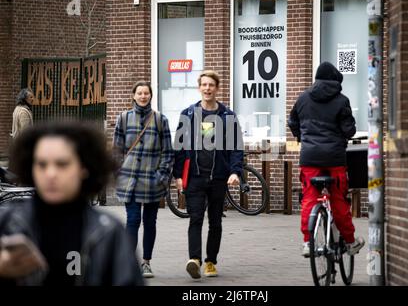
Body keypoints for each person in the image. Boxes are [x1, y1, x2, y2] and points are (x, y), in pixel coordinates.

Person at [0, 121, 143, 285]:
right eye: (41, 164)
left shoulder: (109, 233)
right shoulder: (7, 224)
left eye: (62, 164)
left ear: (84, 168)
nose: (51, 174)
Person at [288, 61, 365, 257]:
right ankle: (349, 241)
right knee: (338, 200)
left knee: (309, 199)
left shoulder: (303, 98)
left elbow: (292, 122)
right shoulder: (342, 100)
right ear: (335, 81)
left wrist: (302, 137)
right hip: (335, 159)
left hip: (310, 158)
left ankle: (308, 242)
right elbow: (349, 130)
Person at [173, 70, 244, 279]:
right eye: (204, 85)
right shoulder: (187, 114)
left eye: (211, 85)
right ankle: (194, 259)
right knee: (195, 218)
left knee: (215, 222)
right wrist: (178, 175)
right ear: (199, 87)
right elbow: (178, 146)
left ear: (217, 88)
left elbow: (236, 147)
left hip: (219, 177)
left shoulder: (228, 116)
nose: (207, 88)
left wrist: (235, 171)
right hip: (194, 176)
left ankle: (211, 261)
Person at [113, 80, 174, 279]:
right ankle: (129, 263)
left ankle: (146, 262)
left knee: (150, 221)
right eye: (139, 93)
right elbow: (117, 150)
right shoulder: (123, 118)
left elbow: (168, 151)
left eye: (146, 93)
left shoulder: (160, 120)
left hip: (152, 181)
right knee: (133, 220)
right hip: (129, 181)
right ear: (133, 95)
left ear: (150, 95)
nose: (142, 96)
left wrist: (162, 176)